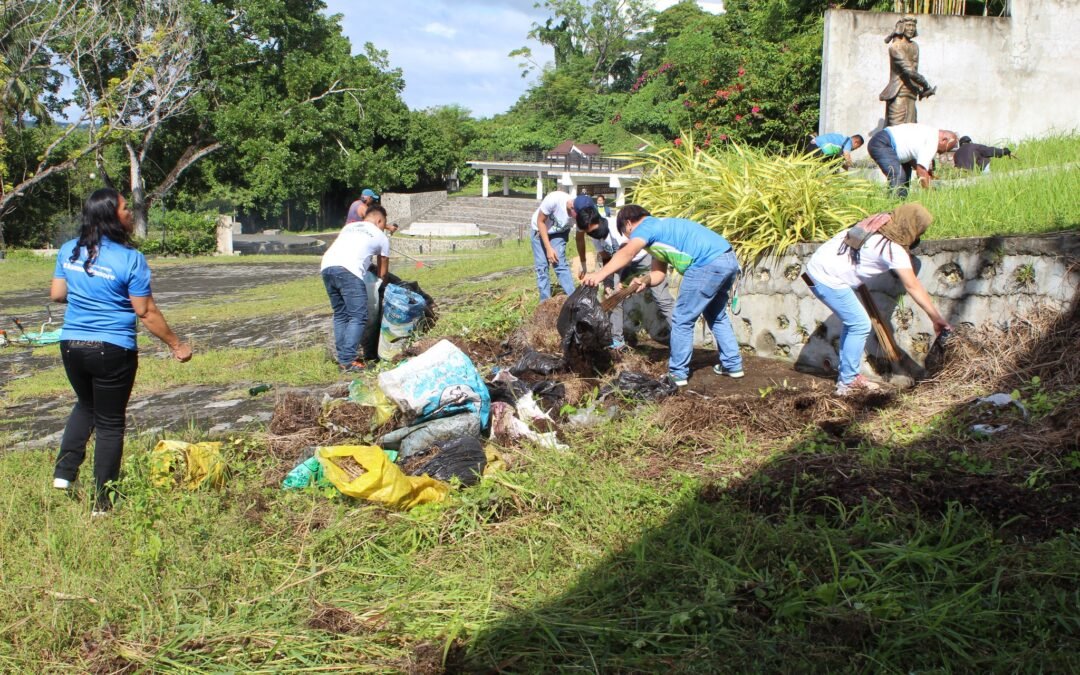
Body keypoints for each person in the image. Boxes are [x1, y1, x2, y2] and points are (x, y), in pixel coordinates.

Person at [50, 188, 192, 515]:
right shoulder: (130, 259)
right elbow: (146, 312)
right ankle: (103, 503)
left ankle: (64, 473)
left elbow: (58, 294)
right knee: (111, 423)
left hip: (71, 345)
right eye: (126, 208)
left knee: (86, 405)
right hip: (112, 348)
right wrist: (177, 345)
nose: (130, 213)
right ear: (111, 215)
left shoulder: (69, 249)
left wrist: (89, 295)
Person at [582, 205, 743, 388]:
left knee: (682, 318)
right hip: (727, 260)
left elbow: (628, 252)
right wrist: (644, 281)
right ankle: (732, 364)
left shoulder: (646, 227)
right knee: (716, 314)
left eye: (628, 236)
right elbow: (658, 275)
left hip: (706, 263)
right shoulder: (661, 232)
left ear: (628, 224)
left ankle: (677, 374)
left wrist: (599, 275)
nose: (632, 240)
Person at [804, 203, 952, 396]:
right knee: (859, 324)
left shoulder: (877, 222)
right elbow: (912, 285)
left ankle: (849, 376)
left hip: (818, 267)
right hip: (825, 278)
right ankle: (847, 383)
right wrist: (936, 318)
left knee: (854, 323)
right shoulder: (893, 250)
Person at [575, 206, 674, 350]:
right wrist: (609, 283)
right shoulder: (597, 239)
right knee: (614, 296)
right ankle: (617, 340)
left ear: (600, 220)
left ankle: (679, 335)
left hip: (644, 257)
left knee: (661, 297)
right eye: (590, 233)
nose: (595, 234)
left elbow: (627, 254)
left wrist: (618, 279)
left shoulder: (618, 227)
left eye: (595, 230)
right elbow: (607, 259)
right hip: (622, 263)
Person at [320, 204, 391, 371]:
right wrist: (382, 286)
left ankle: (343, 357)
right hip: (349, 270)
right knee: (358, 316)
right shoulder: (381, 236)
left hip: (327, 266)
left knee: (341, 315)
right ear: (379, 220)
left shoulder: (349, 227)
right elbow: (383, 271)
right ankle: (348, 361)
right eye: (383, 224)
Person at [867, 123, 958, 198]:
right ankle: (891, 209)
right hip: (882, 143)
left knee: (905, 177)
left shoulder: (930, 131)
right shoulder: (933, 141)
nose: (941, 153)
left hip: (887, 142)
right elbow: (921, 172)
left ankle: (900, 206)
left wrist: (925, 171)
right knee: (898, 175)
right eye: (945, 149)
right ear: (944, 140)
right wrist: (931, 195)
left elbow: (912, 156)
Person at [530, 191, 589, 300]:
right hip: (539, 230)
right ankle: (545, 301)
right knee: (542, 267)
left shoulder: (582, 217)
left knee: (559, 262)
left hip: (559, 232)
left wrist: (583, 263)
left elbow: (580, 240)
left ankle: (574, 299)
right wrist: (548, 248)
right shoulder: (554, 199)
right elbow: (540, 222)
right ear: (571, 205)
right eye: (575, 217)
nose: (575, 220)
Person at [879, 15, 935, 126]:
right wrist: (926, 85)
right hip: (899, 94)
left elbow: (914, 68)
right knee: (896, 130)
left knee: (911, 131)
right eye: (908, 25)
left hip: (912, 94)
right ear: (902, 27)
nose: (911, 29)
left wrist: (921, 88)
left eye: (913, 26)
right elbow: (909, 70)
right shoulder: (896, 47)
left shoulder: (915, 46)